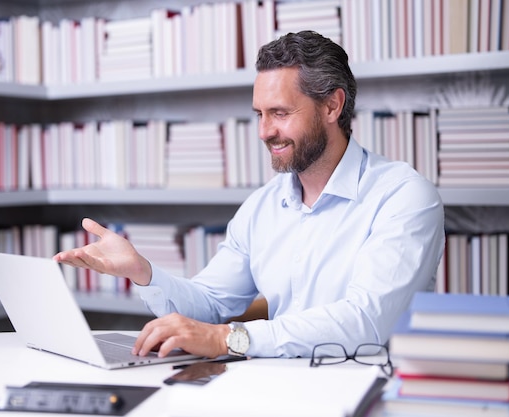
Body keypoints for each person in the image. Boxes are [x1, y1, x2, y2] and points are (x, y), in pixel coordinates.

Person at [54, 30, 445, 360]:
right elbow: (209, 304)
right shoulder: (263, 206)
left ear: (332, 105)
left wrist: (230, 338)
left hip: (368, 395)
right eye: (259, 114)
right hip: (274, 388)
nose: (263, 131)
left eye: (279, 113)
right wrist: (143, 272)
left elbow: (367, 322)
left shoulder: (403, 197)